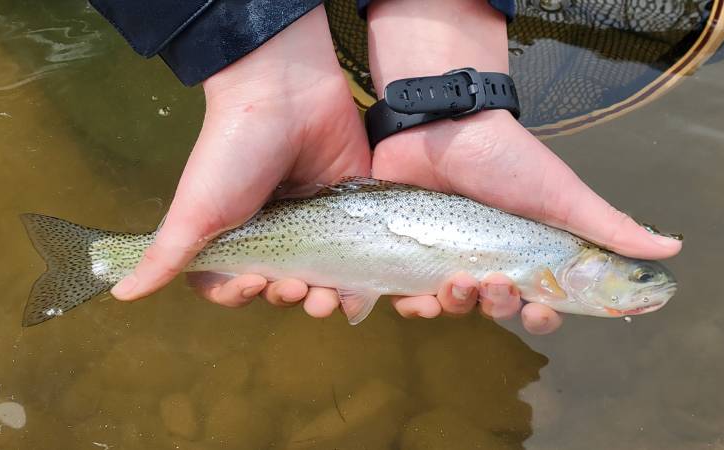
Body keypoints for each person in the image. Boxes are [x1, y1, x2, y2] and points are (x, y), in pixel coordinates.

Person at [89, 0, 682, 335]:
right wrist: (266, 86)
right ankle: (101, 258)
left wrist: (438, 70)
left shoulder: (553, 259)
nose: (644, 285)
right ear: (588, 265)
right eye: (636, 277)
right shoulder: (554, 255)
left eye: (635, 281)